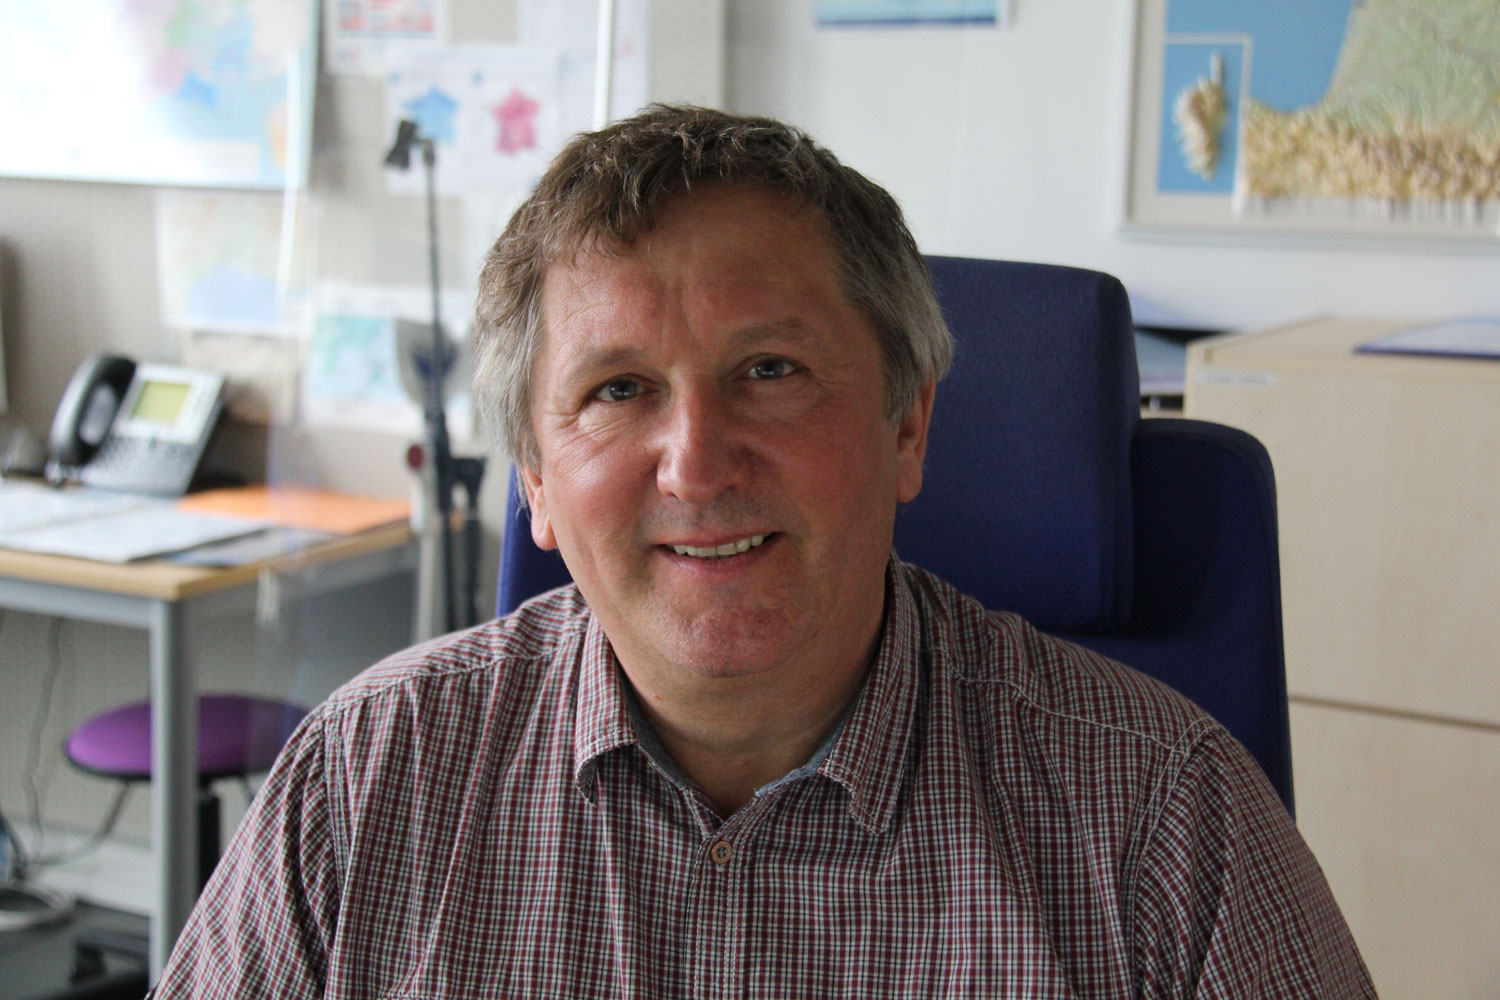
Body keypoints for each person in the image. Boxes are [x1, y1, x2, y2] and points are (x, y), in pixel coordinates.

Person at [154, 105, 1374, 998]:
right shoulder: (363, 790)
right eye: (619, 388)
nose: (696, 462)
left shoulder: (1167, 819)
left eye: (770, 371)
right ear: (532, 477)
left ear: (908, 422)